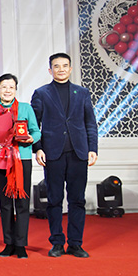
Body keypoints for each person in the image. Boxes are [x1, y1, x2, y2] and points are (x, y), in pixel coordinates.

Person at [32, 53, 98, 258]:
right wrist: (38, 148)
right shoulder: (41, 93)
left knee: (77, 199)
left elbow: (90, 123)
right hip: (53, 154)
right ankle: (57, 242)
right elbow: (34, 125)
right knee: (54, 200)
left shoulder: (83, 93)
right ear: (50, 70)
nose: (61, 69)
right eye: (56, 66)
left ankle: (76, 244)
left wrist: (92, 148)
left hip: (79, 153)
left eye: (64, 66)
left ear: (70, 69)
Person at [0, 74, 40, 259]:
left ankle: (21, 244)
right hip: (0, 160)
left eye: (11, 87)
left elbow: (36, 131)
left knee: (22, 202)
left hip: (22, 159)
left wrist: (31, 138)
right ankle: (9, 243)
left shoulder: (25, 108)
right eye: (3, 87)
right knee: (6, 203)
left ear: (16, 89)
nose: (7, 90)